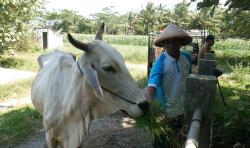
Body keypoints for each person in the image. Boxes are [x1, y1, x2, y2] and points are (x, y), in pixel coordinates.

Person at [145, 23, 192, 119]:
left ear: (180, 42)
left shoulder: (186, 57)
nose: (171, 45)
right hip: (167, 110)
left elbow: (189, 78)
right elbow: (152, 86)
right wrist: (148, 105)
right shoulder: (161, 62)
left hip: (185, 105)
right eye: (167, 42)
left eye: (175, 42)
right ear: (163, 44)